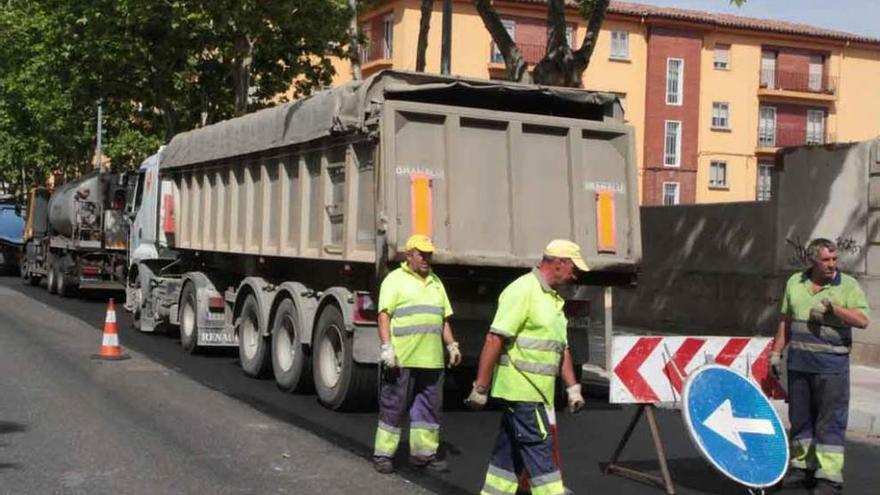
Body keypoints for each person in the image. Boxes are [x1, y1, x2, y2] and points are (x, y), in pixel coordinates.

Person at [466, 239, 587, 495]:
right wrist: (481, 387)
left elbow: (560, 348)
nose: (575, 274)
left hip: (539, 393)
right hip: (522, 391)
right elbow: (494, 338)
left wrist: (572, 387)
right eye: (573, 267)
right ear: (559, 263)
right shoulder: (522, 291)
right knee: (539, 448)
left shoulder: (553, 300)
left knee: (508, 452)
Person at [771, 238, 870, 495]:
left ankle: (829, 477)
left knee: (830, 421)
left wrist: (833, 308)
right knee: (800, 419)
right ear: (812, 261)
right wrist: (775, 352)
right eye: (826, 260)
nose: (832, 265)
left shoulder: (847, 286)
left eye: (835, 259)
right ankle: (802, 466)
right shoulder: (795, 282)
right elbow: (785, 319)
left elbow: (862, 320)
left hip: (831, 368)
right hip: (799, 365)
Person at [372, 234, 461, 474]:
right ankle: (383, 455)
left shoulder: (436, 282)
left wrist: (452, 345)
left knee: (429, 410)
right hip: (403, 358)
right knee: (394, 406)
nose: (426, 258)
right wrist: (386, 347)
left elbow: (443, 318)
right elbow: (384, 315)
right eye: (421, 254)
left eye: (429, 254)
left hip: (431, 360)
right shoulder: (395, 280)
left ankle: (424, 456)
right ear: (408, 255)